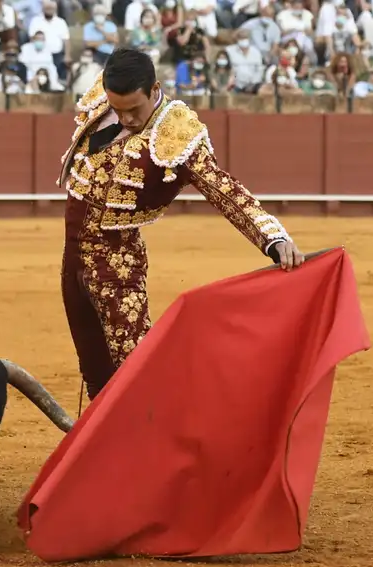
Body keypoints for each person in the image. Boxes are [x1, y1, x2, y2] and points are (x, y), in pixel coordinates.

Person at [58, 47, 303, 400]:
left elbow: (224, 190)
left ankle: (158, 444)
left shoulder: (177, 133)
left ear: (154, 89)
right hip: (72, 260)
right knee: (94, 371)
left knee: (136, 369)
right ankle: (107, 452)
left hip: (117, 267)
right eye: (117, 109)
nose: (125, 118)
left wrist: (273, 238)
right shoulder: (106, 96)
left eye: (133, 110)